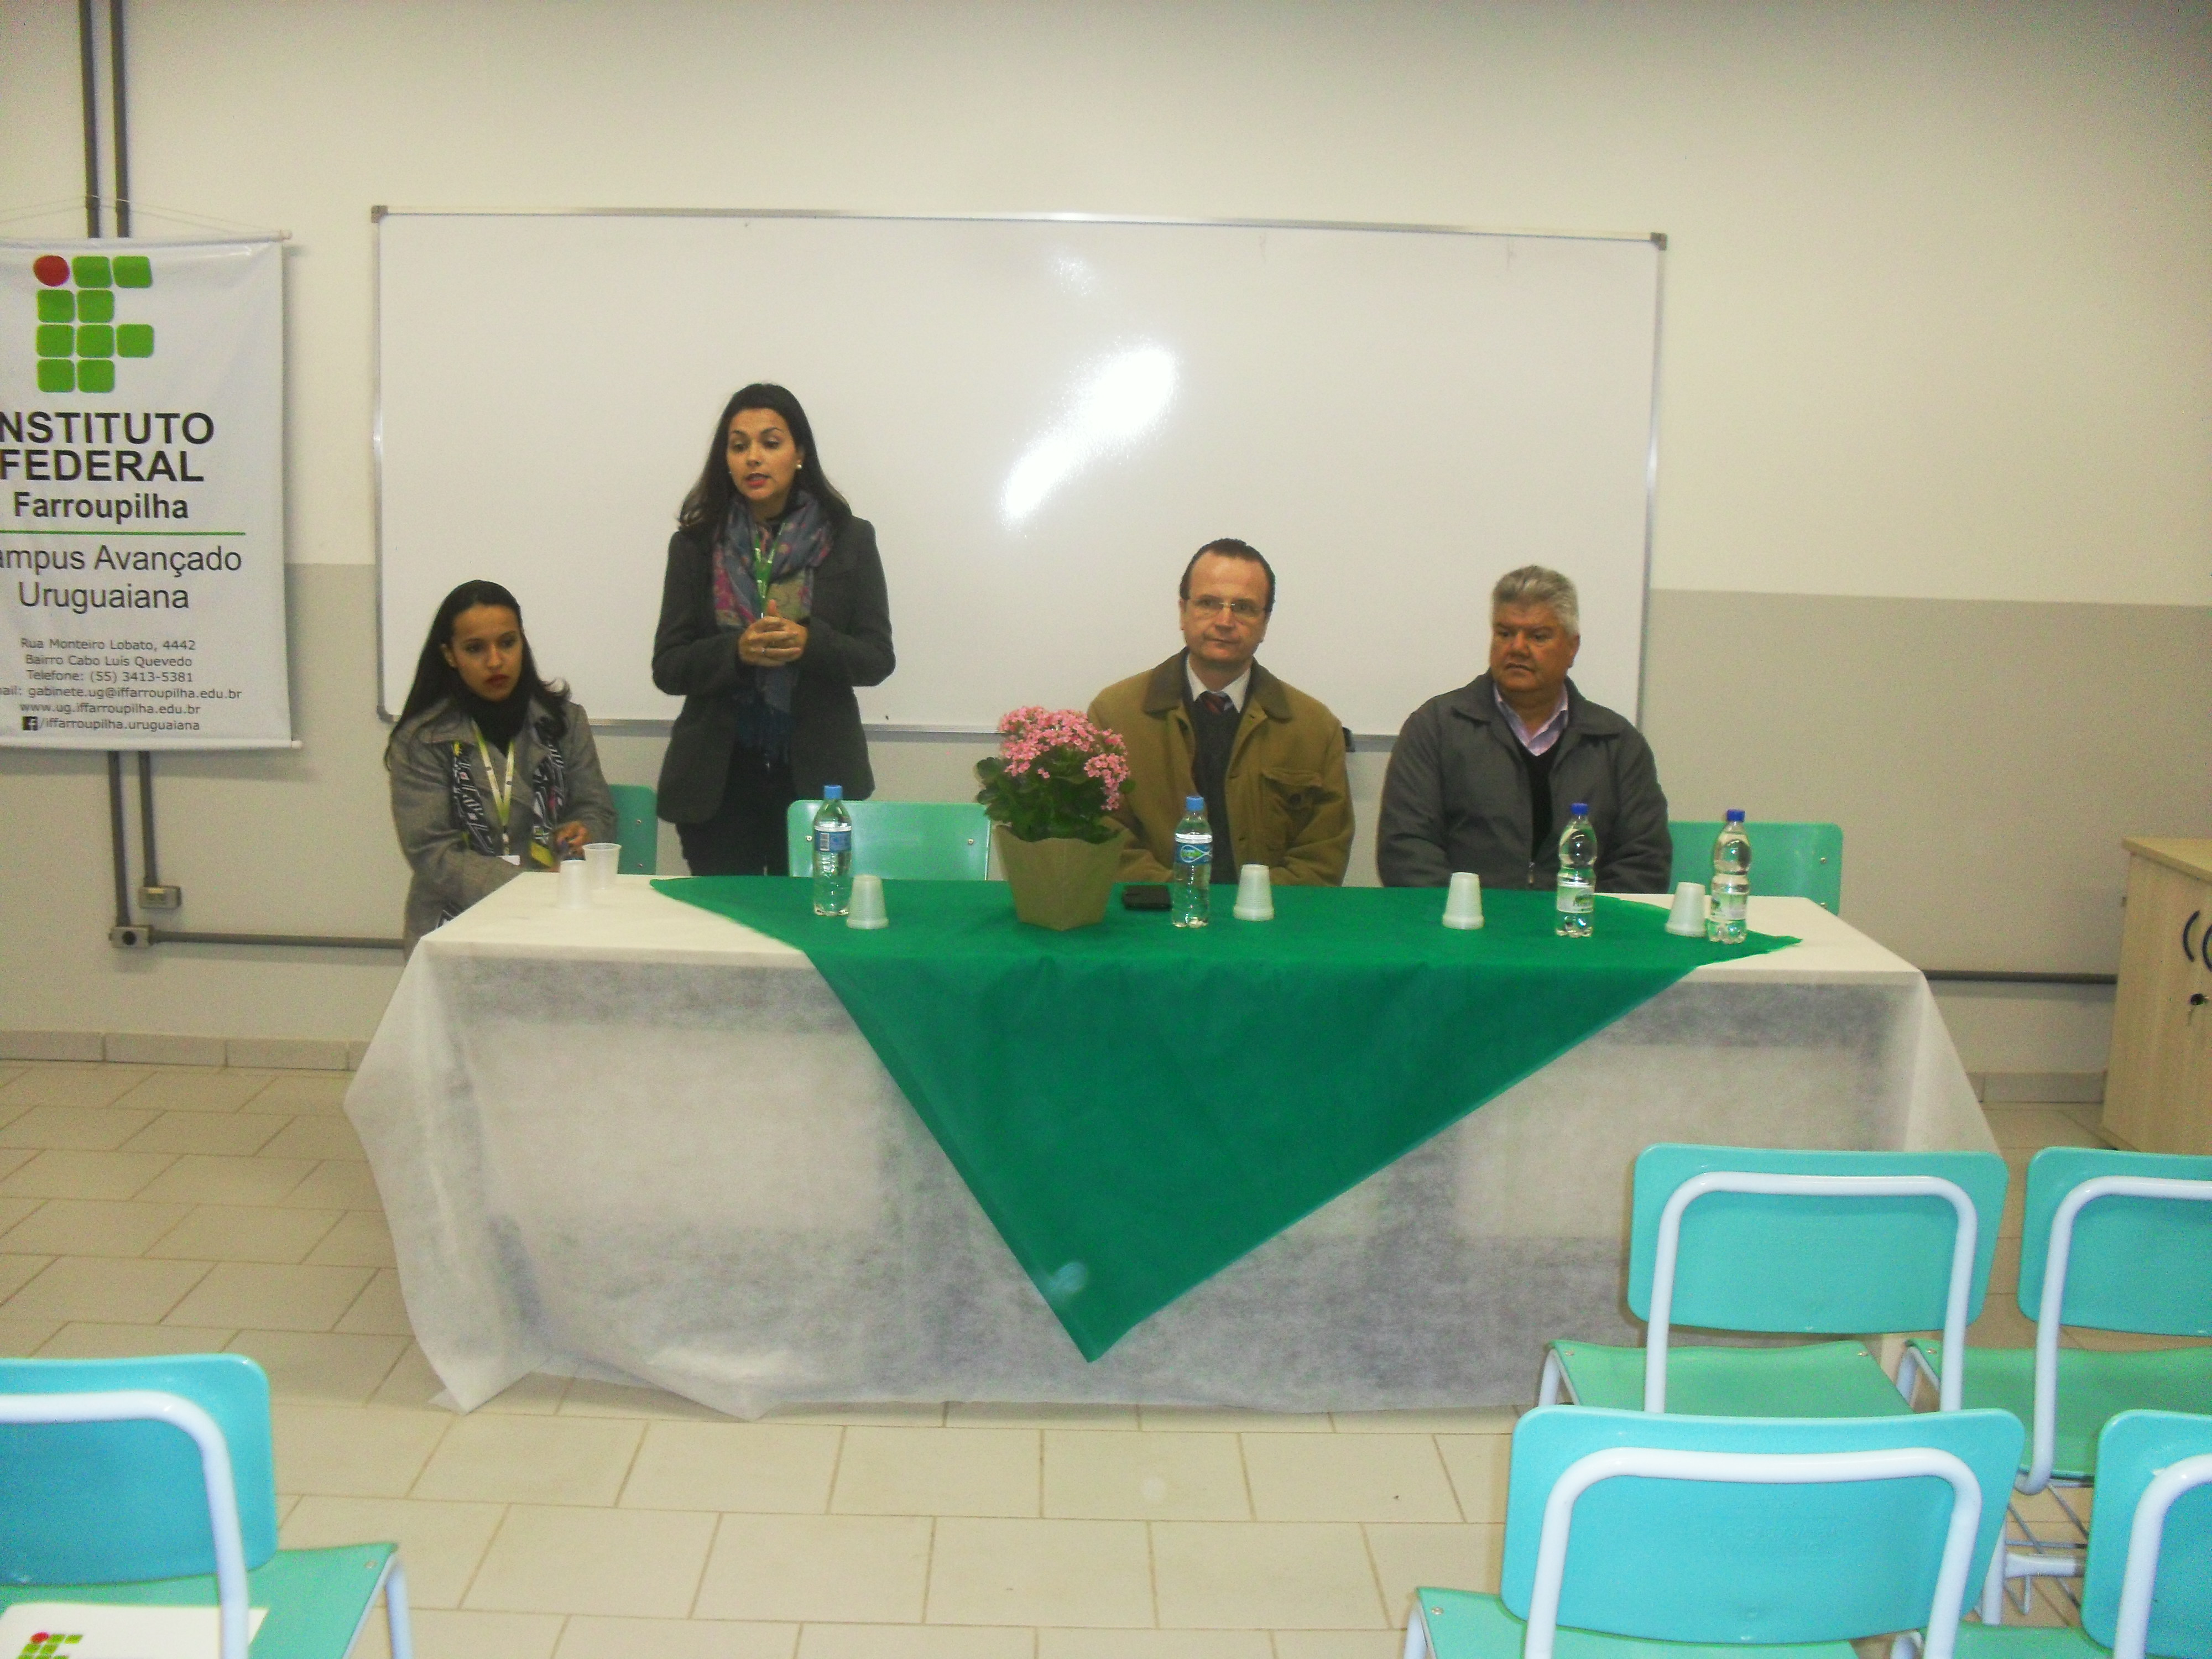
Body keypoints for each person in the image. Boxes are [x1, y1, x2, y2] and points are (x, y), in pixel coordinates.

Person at [652, 384, 895, 874]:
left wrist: (810, 643)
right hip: (718, 784)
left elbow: (876, 659)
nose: (753, 458)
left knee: (810, 917)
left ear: (800, 453)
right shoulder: (696, 545)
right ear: (725, 459)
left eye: (770, 442)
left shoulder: (850, 538)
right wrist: (736, 652)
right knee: (726, 920)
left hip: (816, 780)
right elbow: (669, 667)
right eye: (739, 446)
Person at [1377, 564, 1671, 891]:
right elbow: (1406, 849)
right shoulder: (1435, 728)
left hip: (1580, 921)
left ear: (1572, 648)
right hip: (1461, 920)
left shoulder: (1617, 744)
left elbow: (1644, 861)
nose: (1517, 647)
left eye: (1538, 636)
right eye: (1505, 633)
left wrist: (1584, 915)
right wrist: (1463, 913)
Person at [1087, 539, 1352, 886]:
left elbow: (1321, 858)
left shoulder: (1314, 729)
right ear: (1183, 612)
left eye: (1243, 607)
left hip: (1271, 916)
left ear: (1265, 622)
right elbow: (1102, 836)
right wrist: (1183, 898)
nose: (1225, 621)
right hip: (1152, 914)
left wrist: (1251, 904)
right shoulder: (1116, 716)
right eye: (1208, 603)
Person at [386, 580, 617, 951]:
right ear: (450, 655)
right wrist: (526, 886)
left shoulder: (564, 722)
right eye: (475, 648)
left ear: (522, 642)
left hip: (558, 912)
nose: (495, 661)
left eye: (507, 643)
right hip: (455, 920)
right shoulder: (422, 740)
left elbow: (597, 809)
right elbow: (432, 853)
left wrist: (585, 830)